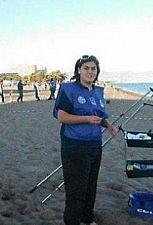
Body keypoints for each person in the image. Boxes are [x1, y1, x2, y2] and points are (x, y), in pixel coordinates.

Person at [53, 55, 118, 225]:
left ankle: (87, 218)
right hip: (74, 145)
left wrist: (108, 125)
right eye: (86, 68)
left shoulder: (97, 91)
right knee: (76, 189)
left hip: (95, 145)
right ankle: (72, 221)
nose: (90, 71)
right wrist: (86, 119)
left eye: (93, 68)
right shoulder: (68, 89)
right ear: (79, 70)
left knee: (90, 185)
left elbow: (98, 115)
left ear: (97, 72)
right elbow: (62, 117)